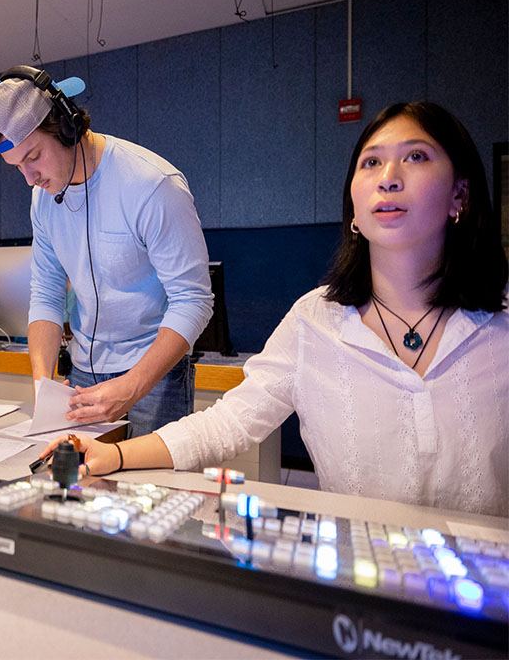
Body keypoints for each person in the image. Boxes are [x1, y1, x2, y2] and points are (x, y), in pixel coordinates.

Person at [41, 102, 508, 516]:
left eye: (416, 156)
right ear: (353, 206)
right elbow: (229, 423)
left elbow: (192, 299)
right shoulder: (315, 320)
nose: (388, 176)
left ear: (459, 196)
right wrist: (110, 455)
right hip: (357, 583)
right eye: (371, 162)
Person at [0, 66, 214, 436]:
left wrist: (132, 385)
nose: (29, 178)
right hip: (82, 375)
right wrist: (43, 381)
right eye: (16, 167)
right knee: (81, 490)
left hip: (154, 380)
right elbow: (46, 293)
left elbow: (194, 300)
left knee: (150, 493)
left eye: (34, 157)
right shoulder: (41, 200)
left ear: (65, 127)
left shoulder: (152, 186)